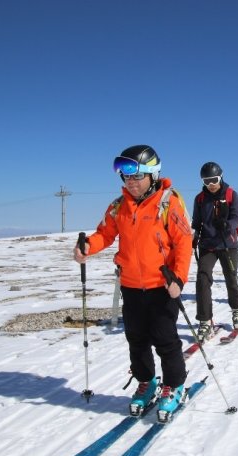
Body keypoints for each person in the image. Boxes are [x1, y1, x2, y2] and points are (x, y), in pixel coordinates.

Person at [73, 144, 192, 421]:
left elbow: (183, 241)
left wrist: (179, 278)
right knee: (136, 339)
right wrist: (87, 247)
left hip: (162, 285)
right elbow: (105, 234)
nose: (130, 181)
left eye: (135, 176)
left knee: (165, 339)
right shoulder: (119, 206)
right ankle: (146, 381)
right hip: (130, 284)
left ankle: (173, 385)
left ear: (151, 175)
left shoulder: (169, 201)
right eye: (125, 176)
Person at [191, 162, 238, 339]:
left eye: (214, 180)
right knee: (202, 279)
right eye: (207, 181)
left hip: (227, 243)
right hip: (208, 245)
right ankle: (205, 320)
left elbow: (237, 217)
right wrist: (194, 235)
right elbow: (196, 222)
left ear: (220, 177)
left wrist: (228, 225)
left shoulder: (231, 194)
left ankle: (237, 309)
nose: (211, 184)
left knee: (230, 277)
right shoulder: (199, 199)